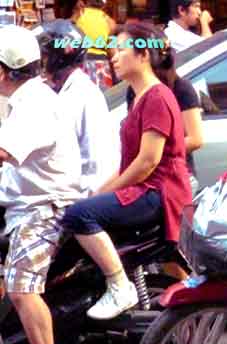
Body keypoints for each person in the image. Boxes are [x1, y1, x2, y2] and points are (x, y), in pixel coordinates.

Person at [60, 22, 192, 321]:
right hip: (145, 189)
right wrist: (98, 192)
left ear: (143, 55)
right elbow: (127, 163)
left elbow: (147, 162)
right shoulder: (139, 97)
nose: (113, 57)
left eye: (120, 50)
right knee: (77, 210)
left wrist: (106, 193)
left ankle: (120, 286)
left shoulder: (157, 97)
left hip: (158, 193)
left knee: (79, 215)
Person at [0, 25, 82, 344]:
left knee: (21, 288)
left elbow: (4, 152)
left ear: (4, 70)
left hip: (43, 209)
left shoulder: (34, 104)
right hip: (23, 203)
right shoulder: (25, 100)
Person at [35, 19, 120, 196]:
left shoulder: (79, 94)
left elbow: (95, 163)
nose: (40, 61)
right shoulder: (61, 89)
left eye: (44, 55)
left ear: (58, 57)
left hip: (80, 197)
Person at [126, 28, 204, 195]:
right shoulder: (133, 90)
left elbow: (196, 139)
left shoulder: (181, 88)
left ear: (145, 56)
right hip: (143, 174)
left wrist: (156, 150)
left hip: (174, 177)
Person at [74, 0, 116, 90]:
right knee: (105, 95)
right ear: (104, 5)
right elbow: (111, 48)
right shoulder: (109, 21)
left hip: (82, 59)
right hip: (101, 61)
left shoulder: (79, 15)